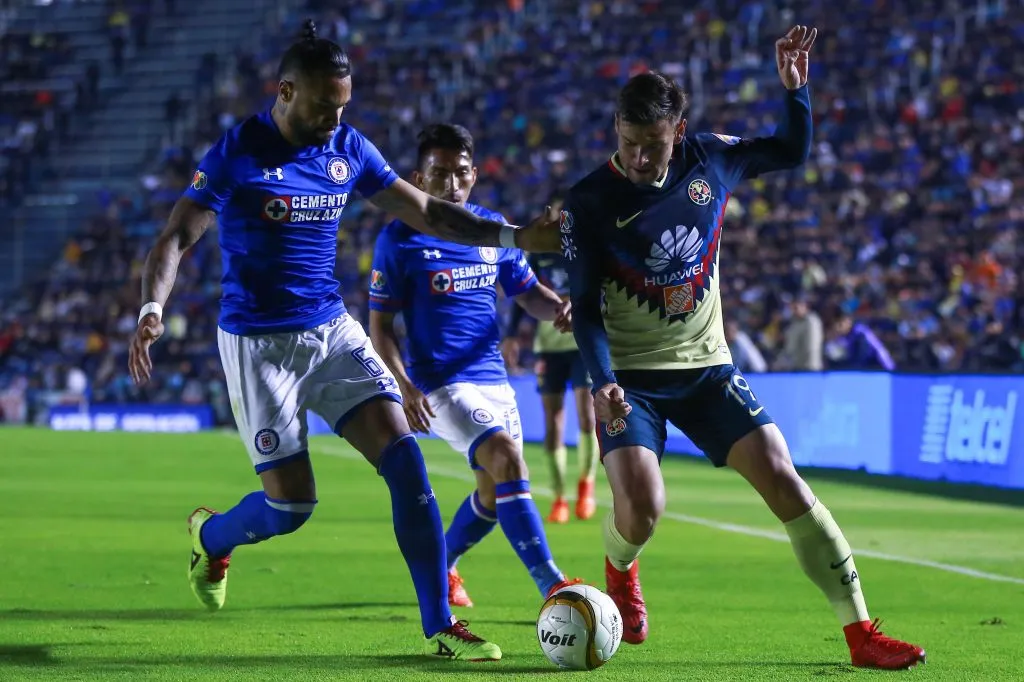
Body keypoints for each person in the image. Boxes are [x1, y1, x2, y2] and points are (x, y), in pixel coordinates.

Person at [127, 20, 557, 662]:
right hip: (259, 345)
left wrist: (517, 238)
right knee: (293, 507)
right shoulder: (237, 151)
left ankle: (439, 625)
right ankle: (212, 538)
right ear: (285, 91)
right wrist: (153, 306)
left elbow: (430, 212)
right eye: (324, 104)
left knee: (408, 463)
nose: (335, 117)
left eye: (343, 106)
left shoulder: (350, 147)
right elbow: (177, 236)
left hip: (331, 331)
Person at [559, 26, 925, 669]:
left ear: (679, 129)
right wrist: (602, 381)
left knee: (783, 477)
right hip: (632, 379)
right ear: (615, 127)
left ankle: (861, 632)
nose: (642, 159)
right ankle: (620, 571)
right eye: (630, 143)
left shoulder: (712, 159)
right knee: (641, 513)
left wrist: (796, 91)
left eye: (655, 145)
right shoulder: (588, 201)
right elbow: (584, 308)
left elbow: (790, 149)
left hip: (707, 367)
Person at [368, 124, 581, 610]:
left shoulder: (492, 227)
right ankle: (554, 585)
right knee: (506, 458)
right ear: (418, 179)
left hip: (495, 382)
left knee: (491, 491)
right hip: (439, 384)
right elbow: (379, 325)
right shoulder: (398, 240)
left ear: (474, 174)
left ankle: (443, 567)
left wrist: (561, 307)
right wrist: (403, 384)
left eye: (460, 172)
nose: (451, 183)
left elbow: (529, 295)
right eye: (439, 173)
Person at [503, 194, 599, 524]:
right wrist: (511, 333)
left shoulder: (586, 249)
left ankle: (586, 484)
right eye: (558, 212)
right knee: (553, 421)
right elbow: (521, 294)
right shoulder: (538, 253)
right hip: (548, 345)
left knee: (588, 416)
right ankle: (559, 496)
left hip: (583, 343)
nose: (561, 218)